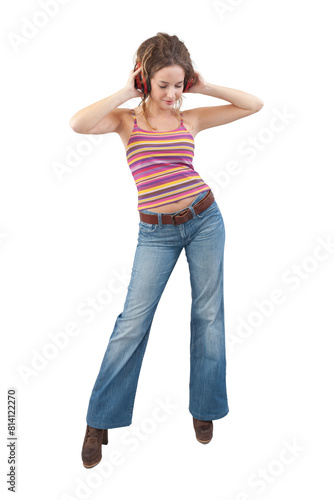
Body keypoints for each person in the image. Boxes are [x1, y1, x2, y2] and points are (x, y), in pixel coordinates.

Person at [69, 32, 264, 468]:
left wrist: (205, 86)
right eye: (164, 85)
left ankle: (206, 409)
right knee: (133, 322)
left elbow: (253, 105)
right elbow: (78, 124)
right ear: (145, 80)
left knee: (209, 314)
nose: (173, 94)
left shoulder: (190, 119)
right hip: (155, 232)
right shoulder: (125, 121)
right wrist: (124, 91)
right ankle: (99, 420)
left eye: (179, 85)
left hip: (204, 220)